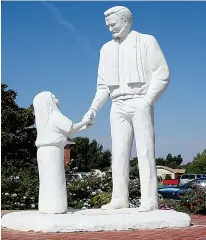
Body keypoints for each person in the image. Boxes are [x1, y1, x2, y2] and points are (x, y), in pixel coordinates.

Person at [83, 6, 170, 211]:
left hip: (140, 100)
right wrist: (93, 109)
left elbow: (162, 73)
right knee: (119, 153)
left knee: (145, 151)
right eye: (108, 26)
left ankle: (149, 200)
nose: (110, 29)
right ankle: (119, 199)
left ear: (125, 21)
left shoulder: (146, 41)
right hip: (117, 105)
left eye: (113, 24)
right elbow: (103, 85)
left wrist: (147, 100)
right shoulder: (106, 49)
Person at [33, 91, 91, 214]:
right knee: (55, 179)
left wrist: (84, 126)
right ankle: (56, 207)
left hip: (42, 151)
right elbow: (71, 128)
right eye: (53, 96)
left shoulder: (43, 120)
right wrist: (85, 121)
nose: (56, 97)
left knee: (46, 181)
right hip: (53, 151)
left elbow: (68, 131)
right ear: (49, 102)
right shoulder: (55, 116)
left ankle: (46, 207)